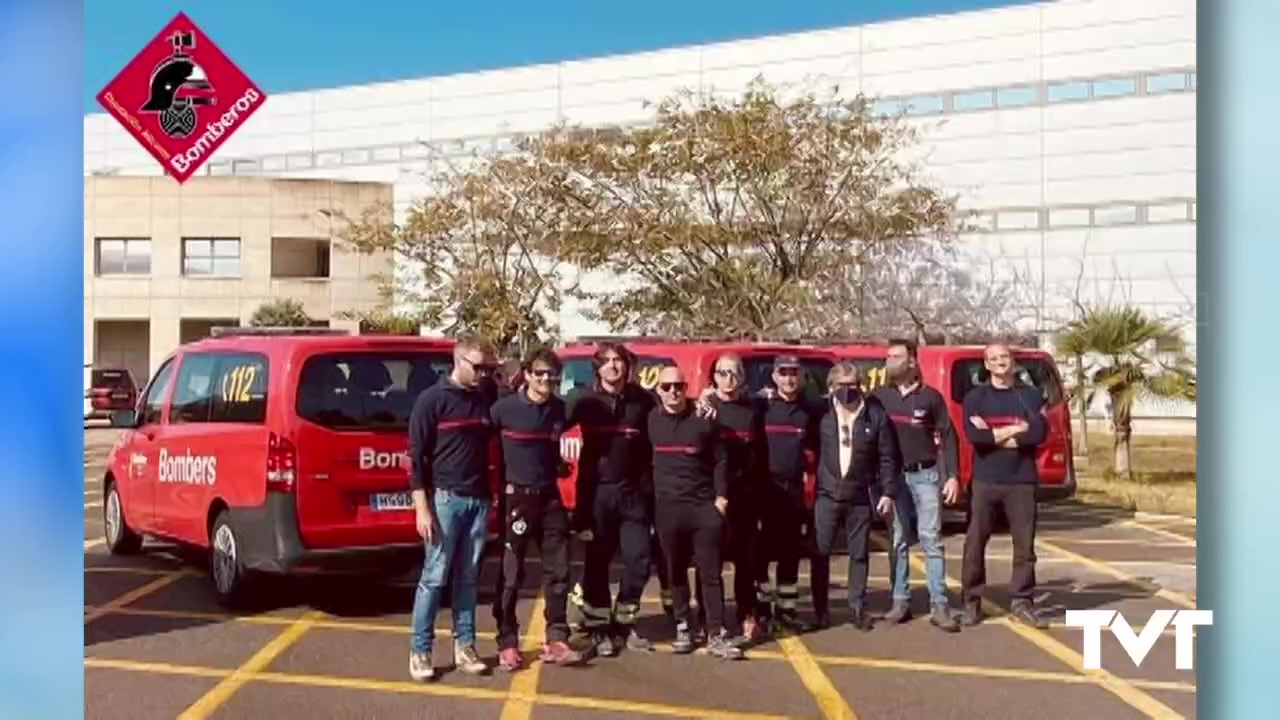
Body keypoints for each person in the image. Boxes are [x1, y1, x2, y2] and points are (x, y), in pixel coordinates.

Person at [407, 337, 499, 682]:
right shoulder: (431, 401)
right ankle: (420, 651)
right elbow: (415, 458)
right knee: (433, 577)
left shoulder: (484, 397)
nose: (482, 374)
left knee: (469, 577)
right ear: (458, 361)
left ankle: (466, 646)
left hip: (478, 499)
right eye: (477, 367)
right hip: (445, 500)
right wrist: (422, 509)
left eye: (486, 368)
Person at [489, 347, 586, 671]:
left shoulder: (561, 409)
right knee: (511, 575)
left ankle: (556, 638)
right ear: (527, 374)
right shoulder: (503, 409)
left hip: (550, 499)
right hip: (517, 501)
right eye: (540, 373)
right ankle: (507, 642)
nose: (546, 379)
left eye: (551, 375)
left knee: (559, 572)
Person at [566, 342, 659, 656]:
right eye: (606, 362)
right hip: (596, 494)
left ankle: (624, 622)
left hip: (634, 494)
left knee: (639, 562)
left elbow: (672, 422)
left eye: (618, 360)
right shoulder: (584, 400)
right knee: (597, 564)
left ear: (627, 365)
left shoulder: (643, 401)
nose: (613, 366)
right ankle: (598, 629)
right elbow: (548, 424)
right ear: (597, 368)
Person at [647, 365, 744, 660]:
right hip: (668, 509)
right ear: (658, 391)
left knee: (710, 574)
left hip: (703, 508)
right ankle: (683, 627)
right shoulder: (651, 419)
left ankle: (716, 633)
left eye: (679, 386)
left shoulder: (703, 419)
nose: (673, 392)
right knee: (675, 572)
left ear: (686, 387)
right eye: (667, 387)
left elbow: (721, 461)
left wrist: (721, 500)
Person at [872, 339, 962, 632]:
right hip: (893, 479)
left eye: (896, 356)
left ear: (912, 361)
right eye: (887, 356)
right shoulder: (879, 397)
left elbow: (948, 436)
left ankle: (939, 605)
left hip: (926, 476)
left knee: (931, 540)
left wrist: (952, 475)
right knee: (898, 539)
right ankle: (900, 600)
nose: (889, 361)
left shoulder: (931, 397)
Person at [960, 342, 1049, 628]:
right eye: (994, 358)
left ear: (1013, 361)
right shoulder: (975, 397)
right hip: (985, 480)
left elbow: (1038, 432)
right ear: (986, 365)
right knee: (975, 544)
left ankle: (1022, 601)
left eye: (1005, 357)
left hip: (1021, 481)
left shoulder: (1031, 396)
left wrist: (996, 433)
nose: (1000, 362)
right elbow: (977, 436)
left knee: (1024, 547)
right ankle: (971, 602)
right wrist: (1014, 429)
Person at [809, 361, 899, 631]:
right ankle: (820, 610)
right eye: (841, 386)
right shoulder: (820, 413)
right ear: (831, 387)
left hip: (860, 495)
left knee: (859, 554)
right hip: (827, 495)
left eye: (852, 385)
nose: (847, 391)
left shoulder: (874, 414)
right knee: (820, 553)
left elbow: (887, 456)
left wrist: (888, 491)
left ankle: (858, 608)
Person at [700, 353, 769, 644]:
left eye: (734, 373)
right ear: (714, 377)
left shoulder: (753, 409)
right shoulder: (703, 408)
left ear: (742, 376)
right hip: (712, 496)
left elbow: (761, 454)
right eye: (722, 373)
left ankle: (746, 613)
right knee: (708, 560)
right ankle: (707, 618)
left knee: (746, 559)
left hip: (745, 496)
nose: (728, 379)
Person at [756, 355, 822, 633]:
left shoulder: (809, 412)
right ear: (774, 377)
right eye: (783, 372)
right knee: (759, 555)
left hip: (793, 490)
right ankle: (760, 613)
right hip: (764, 489)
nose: (789, 378)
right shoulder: (761, 407)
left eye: (794, 372)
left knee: (789, 554)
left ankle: (786, 612)